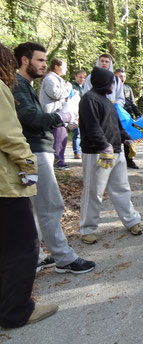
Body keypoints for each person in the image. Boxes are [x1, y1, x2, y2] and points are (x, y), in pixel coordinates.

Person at [12, 42, 95, 274]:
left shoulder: (24, 85)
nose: (44, 65)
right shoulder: (17, 85)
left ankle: (37, 255)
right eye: (40, 60)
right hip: (35, 151)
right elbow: (32, 119)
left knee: (34, 207)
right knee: (50, 206)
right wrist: (62, 116)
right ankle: (64, 257)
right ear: (25, 60)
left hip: (34, 150)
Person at [0, 43, 59, 328]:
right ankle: (16, 310)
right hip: (5, 184)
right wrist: (27, 165)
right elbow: (9, 133)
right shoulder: (2, 88)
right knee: (24, 244)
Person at [78, 66, 143, 244]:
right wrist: (103, 146)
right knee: (94, 192)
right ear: (103, 82)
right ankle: (87, 229)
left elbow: (116, 126)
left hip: (116, 152)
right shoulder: (88, 99)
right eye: (111, 83)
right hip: (98, 154)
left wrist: (127, 139)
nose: (113, 86)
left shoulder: (107, 101)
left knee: (122, 189)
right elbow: (92, 127)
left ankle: (132, 221)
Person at [39, 58, 72, 170]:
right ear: (57, 67)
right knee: (59, 138)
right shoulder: (50, 78)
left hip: (57, 114)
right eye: (65, 66)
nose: (67, 69)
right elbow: (55, 94)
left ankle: (58, 161)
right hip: (52, 115)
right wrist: (68, 88)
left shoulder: (55, 78)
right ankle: (58, 163)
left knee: (61, 136)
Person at [116, 68, 141, 169]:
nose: (122, 78)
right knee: (116, 139)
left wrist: (138, 114)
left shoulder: (128, 88)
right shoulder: (111, 88)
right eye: (120, 76)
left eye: (124, 76)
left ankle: (129, 160)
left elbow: (133, 103)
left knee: (129, 139)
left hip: (127, 117)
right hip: (116, 117)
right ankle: (116, 162)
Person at [71, 70, 86, 159]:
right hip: (75, 111)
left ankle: (83, 150)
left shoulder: (85, 87)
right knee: (77, 133)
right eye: (80, 77)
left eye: (84, 77)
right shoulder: (72, 86)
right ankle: (77, 152)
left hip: (84, 111)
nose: (82, 79)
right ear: (76, 76)